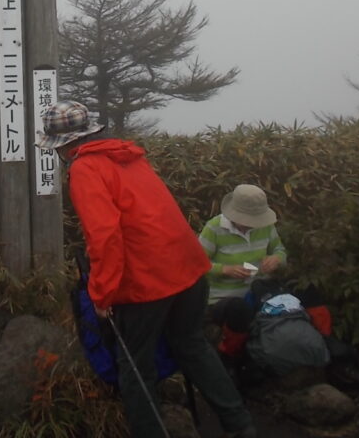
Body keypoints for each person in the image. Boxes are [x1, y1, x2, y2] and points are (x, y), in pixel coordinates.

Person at [37, 100, 256, 438]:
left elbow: (105, 237)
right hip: (188, 269)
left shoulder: (85, 169)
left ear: (62, 146)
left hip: (147, 282)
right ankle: (240, 425)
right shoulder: (128, 157)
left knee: (134, 365)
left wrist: (102, 292)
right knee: (192, 345)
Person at [199, 184, 287, 304]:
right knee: (237, 309)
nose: (251, 223)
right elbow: (196, 264)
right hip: (224, 299)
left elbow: (279, 250)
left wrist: (277, 259)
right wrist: (224, 270)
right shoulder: (214, 228)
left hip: (260, 293)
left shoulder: (266, 226)